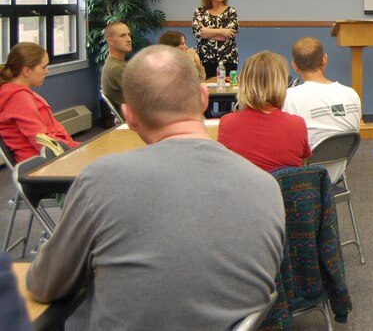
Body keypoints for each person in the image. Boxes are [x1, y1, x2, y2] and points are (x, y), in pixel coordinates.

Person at [27, 45, 285, 329]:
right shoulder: (266, 186)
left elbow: (45, 284)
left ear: (130, 116)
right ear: (202, 97)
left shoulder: (100, 181)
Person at [219, 50, 311, 172]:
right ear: (282, 84)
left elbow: (223, 167)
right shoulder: (297, 124)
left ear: (244, 82)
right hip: (281, 190)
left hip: (243, 189)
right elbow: (302, 167)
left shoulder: (227, 122)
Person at [0, 42, 78, 163]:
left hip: (51, 156)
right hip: (43, 164)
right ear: (26, 71)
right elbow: (42, 142)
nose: (47, 71)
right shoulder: (18, 98)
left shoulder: (20, 93)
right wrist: (78, 152)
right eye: (43, 67)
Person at [283, 37, 361, 148]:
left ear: (295, 66)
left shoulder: (288, 98)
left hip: (304, 164)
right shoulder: (352, 94)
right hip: (342, 162)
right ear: (324, 59)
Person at [192, 0, 239, 78]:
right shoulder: (200, 12)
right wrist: (221, 31)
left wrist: (207, 31)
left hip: (228, 58)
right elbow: (198, 33)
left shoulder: (231, 12)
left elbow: (229, 35)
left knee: (227, 91)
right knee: (207, 90)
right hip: (205, 58)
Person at [100, 21, 131, 112]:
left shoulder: (112, 62)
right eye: (122, 36)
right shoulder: (118, 68)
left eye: (129, 34)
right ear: (110, 41)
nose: (129, 39)